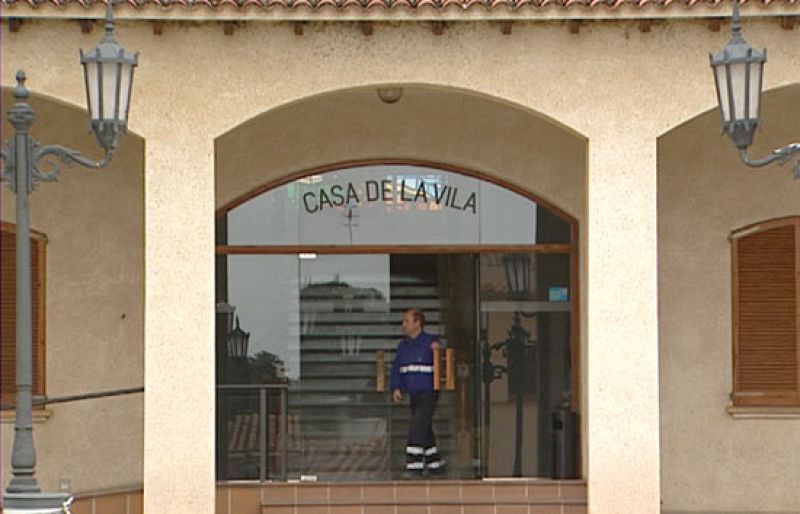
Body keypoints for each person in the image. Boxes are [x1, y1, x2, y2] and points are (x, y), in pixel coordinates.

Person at [389, 308, 445, 477]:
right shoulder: (403, 346)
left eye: (407, 321)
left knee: (417, 426)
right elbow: (397, 369)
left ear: (417, 323)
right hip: (413, 393)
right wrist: (396, 387)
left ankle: (414, 465)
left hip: (428, 393)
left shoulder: (430, 343)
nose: (403, 325)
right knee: (424, 427)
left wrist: (438, 351)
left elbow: (444, 364)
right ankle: (435, 463)